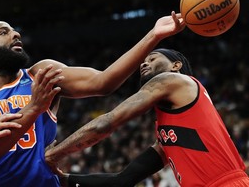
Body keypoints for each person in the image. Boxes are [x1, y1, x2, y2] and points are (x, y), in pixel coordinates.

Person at [0, 11, 185, 186]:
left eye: (13, 30)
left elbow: (103, 82)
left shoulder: (41, 74)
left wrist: (154, 35)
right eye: (3, 33)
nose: (15, 34)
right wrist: (34, 108)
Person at [45, 48, 249, 186]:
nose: (144, 63)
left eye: (152, 58)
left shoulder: (174, 80)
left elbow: (106, 123)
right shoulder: (167, 134)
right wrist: (64, 179)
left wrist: (53, 154)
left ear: (176, 65)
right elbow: (122, 180)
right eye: (144, 61)